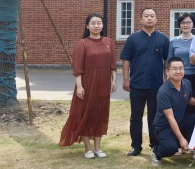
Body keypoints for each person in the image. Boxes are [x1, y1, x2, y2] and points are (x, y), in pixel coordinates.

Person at [59, 13, 117, 158]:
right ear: (87, 26)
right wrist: (79, 86)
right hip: (87, 83)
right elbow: (77, 67)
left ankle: (98, 148)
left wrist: (114, 81)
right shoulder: (82, 43)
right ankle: (88, 149)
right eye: (93, 23)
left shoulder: (109, 41)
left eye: (99, 23)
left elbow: (112, 65)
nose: (96, 26)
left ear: (102, 25)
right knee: (86, 113)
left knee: (100, 113)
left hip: (104, 84)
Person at [121, 8, 169, 156]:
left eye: (152, 16)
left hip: (156, 85)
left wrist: (166, 78)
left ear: (156, 19)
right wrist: (126, 79)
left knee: (154, 116)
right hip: (137, 84)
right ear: (140, 19)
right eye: (146, 16)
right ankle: (136, 146)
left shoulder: (163, 39)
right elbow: (126, 60)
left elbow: (167, 60)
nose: (149, 18)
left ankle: (154, 144)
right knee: (135, 117)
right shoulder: (132, 39)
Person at [151, 58, 195, 165]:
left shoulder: (186, 83)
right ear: (167, 72)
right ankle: (156, 151)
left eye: (181, 68)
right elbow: (170, 118)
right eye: (174, 69)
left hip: (180, 122)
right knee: (171, 148)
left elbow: (188, 99)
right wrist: (181, 139)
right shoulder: (163, 91)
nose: (178, 71)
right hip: (164, 127)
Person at [168, 13, 195, 114]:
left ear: (193, 24)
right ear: (179, 25)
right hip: (179, 76)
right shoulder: (174, 42)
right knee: (179, 103)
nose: (186, 25)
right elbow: (169, 60)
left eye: (188, 22)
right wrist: (168, 76)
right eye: (183, 23)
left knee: (194, 103)